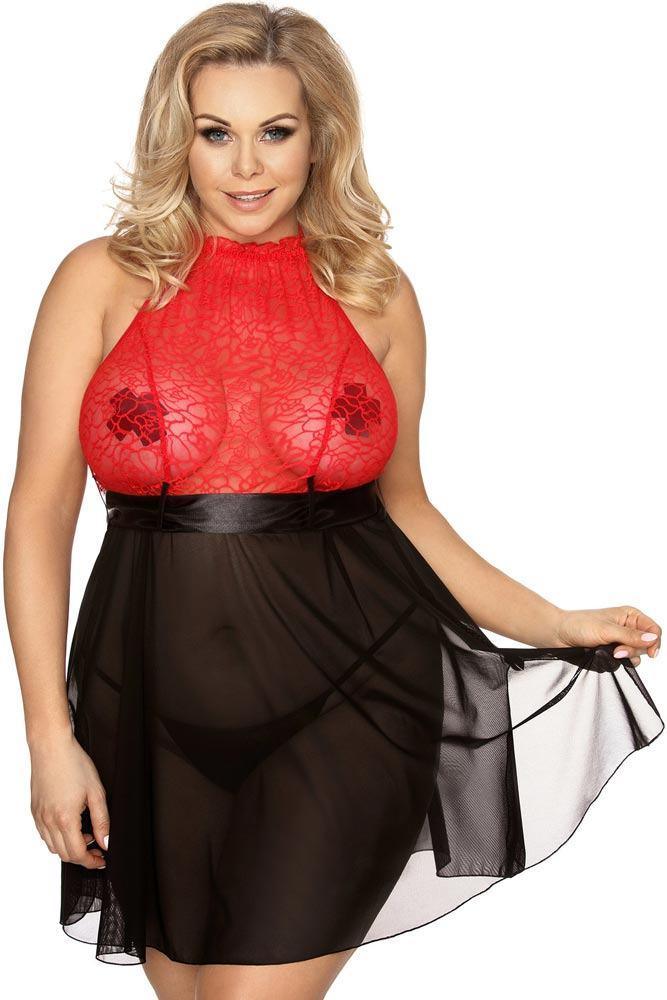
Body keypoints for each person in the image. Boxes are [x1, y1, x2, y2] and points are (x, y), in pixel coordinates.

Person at [4, 4, 663, 999]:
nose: (245, 165)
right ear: (177, 138)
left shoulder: (375, 293)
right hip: (142, 708)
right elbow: (39, 515)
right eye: (215, 132)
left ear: (320, 139)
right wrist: (49, 738)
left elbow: (407, 510)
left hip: (351, 699)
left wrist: (550, 620)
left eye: (275, 131)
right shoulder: (101, 281)